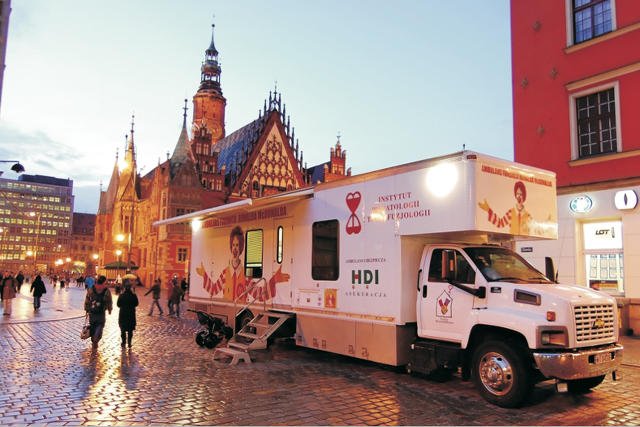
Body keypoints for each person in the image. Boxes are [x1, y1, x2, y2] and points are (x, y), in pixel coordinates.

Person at [196, 225, 290, 303]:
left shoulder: (245, 275)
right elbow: (213, 289)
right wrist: (204, 275)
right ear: (231, 247)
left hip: (240, 311)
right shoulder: (225, 273)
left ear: (241, 248)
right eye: (233, 245)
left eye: (237, 245)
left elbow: (258, 294)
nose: (235, 248)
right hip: (227, 309)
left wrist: (274, 281)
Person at [84, 275, 113, 350]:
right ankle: (96, 339)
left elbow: (87, 299)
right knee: (100, 325)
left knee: (93, 325)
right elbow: (109, 301)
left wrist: (87, 309)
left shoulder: (91, 289)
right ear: (103, 282)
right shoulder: (106, 290)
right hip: (101, 312)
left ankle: (94, 339)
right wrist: (109, 309)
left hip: (92, 311)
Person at [117, 282, 139, 348]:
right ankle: (129, 343)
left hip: (123, 314)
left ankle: (123, 342)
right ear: (130, 288)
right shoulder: (133, 295)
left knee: (123, 330)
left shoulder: (121, 295)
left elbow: (118, 304)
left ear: (124, 288)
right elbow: (136, 304)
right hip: (131, 314)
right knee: (130, 330)